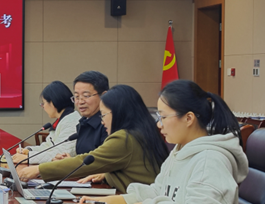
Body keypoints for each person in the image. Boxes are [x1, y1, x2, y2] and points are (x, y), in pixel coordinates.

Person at [78, 80, 249, 204]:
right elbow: (159, 191)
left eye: (163, 117)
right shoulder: (179, 150)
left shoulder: (210, 160)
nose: (159, 124)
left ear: (188, 118)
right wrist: (108, 201)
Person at [17, 85, 168, 193]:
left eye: (104, 115)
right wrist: (106, 174)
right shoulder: (140, 132)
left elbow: (86, 161)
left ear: (119, 113)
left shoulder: (124, 138)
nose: (102, 121)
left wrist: (38, 169)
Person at [12, 81, 79, 165]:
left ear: (53, 102)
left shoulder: (72, 122)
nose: (43, 107)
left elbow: (62, 154)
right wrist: (29, 150)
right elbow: (48, 147)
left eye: (43, 103)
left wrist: (28, 158)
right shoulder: (63, 119)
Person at [54, 71, 109, 160]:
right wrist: (67, 161)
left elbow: (103, 161)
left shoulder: (108, 125)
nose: (80, 102)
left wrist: (72, 163)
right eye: (76, 96)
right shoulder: (83, 123)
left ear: (104, 96)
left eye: (86, 96)